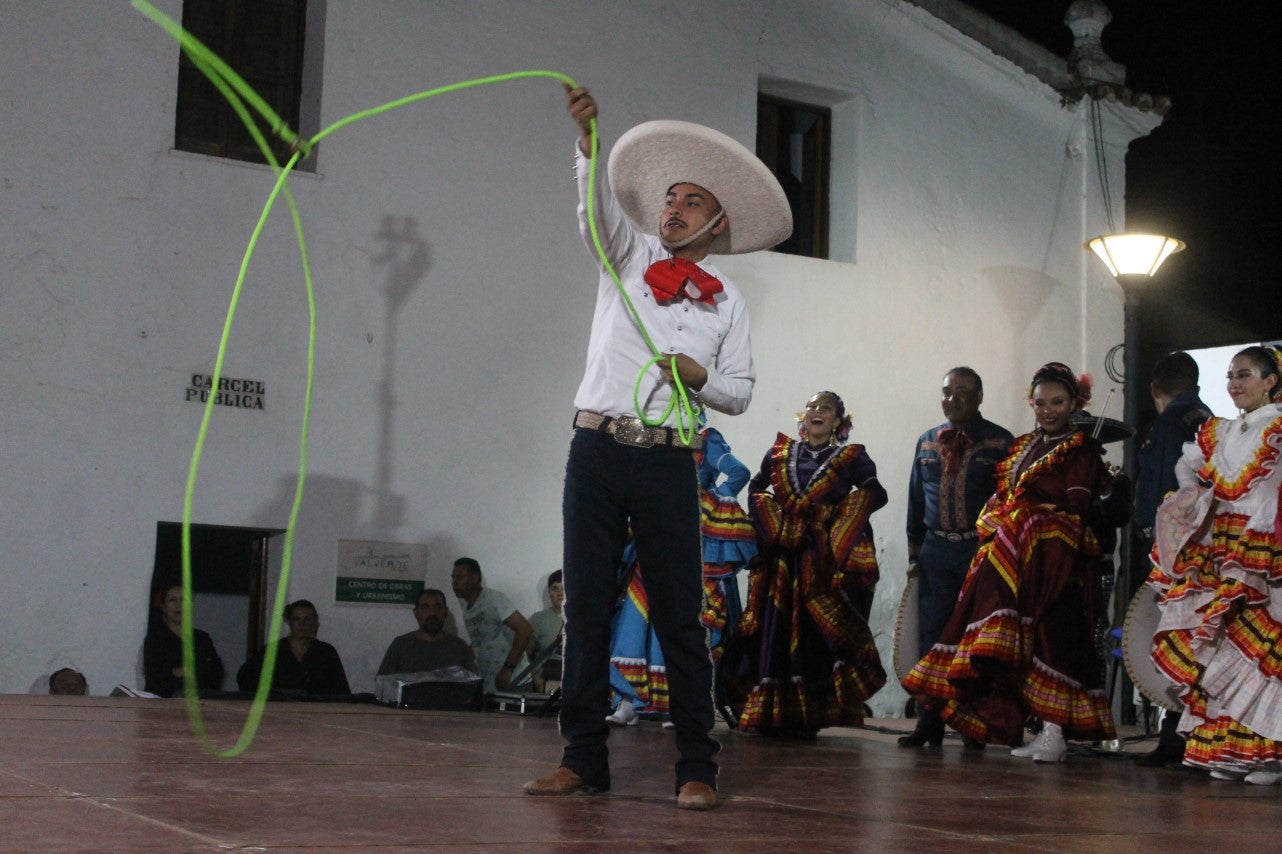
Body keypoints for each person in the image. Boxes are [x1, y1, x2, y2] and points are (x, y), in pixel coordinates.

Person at [523, 86, 791, 811]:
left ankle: (696, 766)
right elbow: (594, 218)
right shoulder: (629, 252)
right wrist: (588, 148)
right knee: (585, 604)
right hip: (598, 449)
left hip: (672, 457)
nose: (673, 208)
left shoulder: (726, 301)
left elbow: (738, 391)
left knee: (679, 612)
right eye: (670, 197)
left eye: (691, 201)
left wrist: (699, 376)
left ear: (718, 220)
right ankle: (582, 760)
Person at [903, 362, 1117, 761]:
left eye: (1057, 402)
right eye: (1040, 403)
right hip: (1004, 554)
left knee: (1054, 640)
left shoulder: (1077, 448)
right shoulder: (1022, 445)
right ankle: (942, 719)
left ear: (1074, 402)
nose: (1048, 410)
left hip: (1054, 559)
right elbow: (986, 496)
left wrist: (1026, 518)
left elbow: (1076, 506)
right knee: (968, 635)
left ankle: (1052, 732)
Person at [1147, 345, 1282, 784]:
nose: (1234, 383)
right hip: (1225, 550)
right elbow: (1191, 468)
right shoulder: (1219, 431)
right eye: (1230, 376)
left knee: (1261, 648)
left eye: (1244, 375)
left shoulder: (1278, 427)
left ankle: (1270, 754)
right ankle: (1233, 749)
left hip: (1264, 554)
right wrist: (1188, 501)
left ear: (1270, 381)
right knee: (1224, 647)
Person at [720, 390, 888, 737]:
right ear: (803, 417)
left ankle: (808, 717)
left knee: (815, 634)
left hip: (821, 561)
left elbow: (872, 492)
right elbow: (756, 489)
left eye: (825, 408)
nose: (817, 411)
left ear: (838, 421)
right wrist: (775, 522)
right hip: (782, 559)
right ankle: (770, 712)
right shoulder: (780, 453)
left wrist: (837, 527)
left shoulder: (852, 457)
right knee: (774, 629)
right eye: (812, 406)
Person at [605, 425, 758, 727]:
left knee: (679, 621)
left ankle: (679, 703)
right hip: (651, 532)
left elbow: (738, 472)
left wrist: (708, 503)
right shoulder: (651, 432)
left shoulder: (706, 436)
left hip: (689, 540)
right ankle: (629, 700)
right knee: (635, 620)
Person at [899, 367, 1013, 749]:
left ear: (980, 396)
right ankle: (928, 722)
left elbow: (1011, 503)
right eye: (947, 392)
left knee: (974, 642)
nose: (954, 399)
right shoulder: (927, 441)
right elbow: (915, 499)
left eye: (963, 392)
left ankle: (972, 726)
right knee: (932, 639)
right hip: (936, 551)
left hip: (979, 552)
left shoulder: (1001, 442)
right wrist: (915, 550)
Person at [1130, 351, 1211, 767]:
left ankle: (1173, 737)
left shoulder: (1166, 424)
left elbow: (1160, 492)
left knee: (1171, 640)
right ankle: (1195, 735)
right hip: (1204, 548)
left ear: (1154, 388)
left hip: (1171, 550)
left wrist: (1150, 539)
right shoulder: (1208, 418)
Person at [450, 557, 532, 693]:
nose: (454, 583)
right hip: (491, 686)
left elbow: (525, 629)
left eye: (460, 577)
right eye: (453, 578)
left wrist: (508, 669)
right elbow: (481, 641)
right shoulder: (467, 610)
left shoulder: (493, 599)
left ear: (476, 577)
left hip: (514, 681)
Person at [236, 599, 351, 696]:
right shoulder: (274, 651)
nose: (302, 624)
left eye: (307, 619)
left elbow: (341, 690)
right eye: (297, 619)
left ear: (315, 622)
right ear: (289, 621)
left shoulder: (326, 653)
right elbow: (245, 678)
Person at [143, 584, 225, 697]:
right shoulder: (156, 639)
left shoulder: (202, 638)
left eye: (183, 600)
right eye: (172, 600)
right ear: (163, 607)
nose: (178, 605)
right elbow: (157, 679)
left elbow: (215, 673)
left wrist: (178, 672)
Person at [377, 588, 476, 675]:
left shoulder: (459, 647)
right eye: (425, 607)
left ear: (445, 612)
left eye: (438, 607)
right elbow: (383, 685)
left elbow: (474, 686)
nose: (432, 613)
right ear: (416, 613)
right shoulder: (400, 645)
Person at [526, 571, 566, 692]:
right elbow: (525, 653)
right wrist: (536, 678)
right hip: (547, 683)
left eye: (564, 588)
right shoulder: (538, 620)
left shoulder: (582, 620)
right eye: (555, 588)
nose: (560, 593)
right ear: (549, 593)